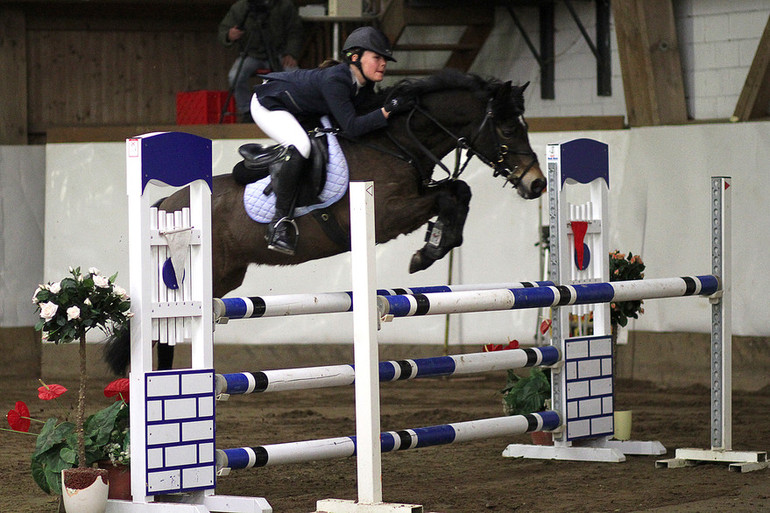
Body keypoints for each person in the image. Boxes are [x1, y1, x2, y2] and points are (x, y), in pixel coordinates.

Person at [251, 26, 415, 255]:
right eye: (377, 57)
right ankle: (280, 224)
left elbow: (365, 118)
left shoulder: (363, 85)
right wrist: (388, 110)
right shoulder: (336, 80)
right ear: (355, 58)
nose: (383, 63)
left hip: (301, 108)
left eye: (385, 59)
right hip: (269, 102)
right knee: (302, 146)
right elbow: (353, 127)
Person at [218, 0, 303, 122]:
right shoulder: (241, 7)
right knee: (234, 76)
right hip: (252, 54)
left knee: (294, 76)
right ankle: (247, 111)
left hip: (279, 53)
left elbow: (295, 31)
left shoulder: (284, 5)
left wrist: (291, 53)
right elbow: (223, 31)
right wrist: (229, 35)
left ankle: (294, 111)